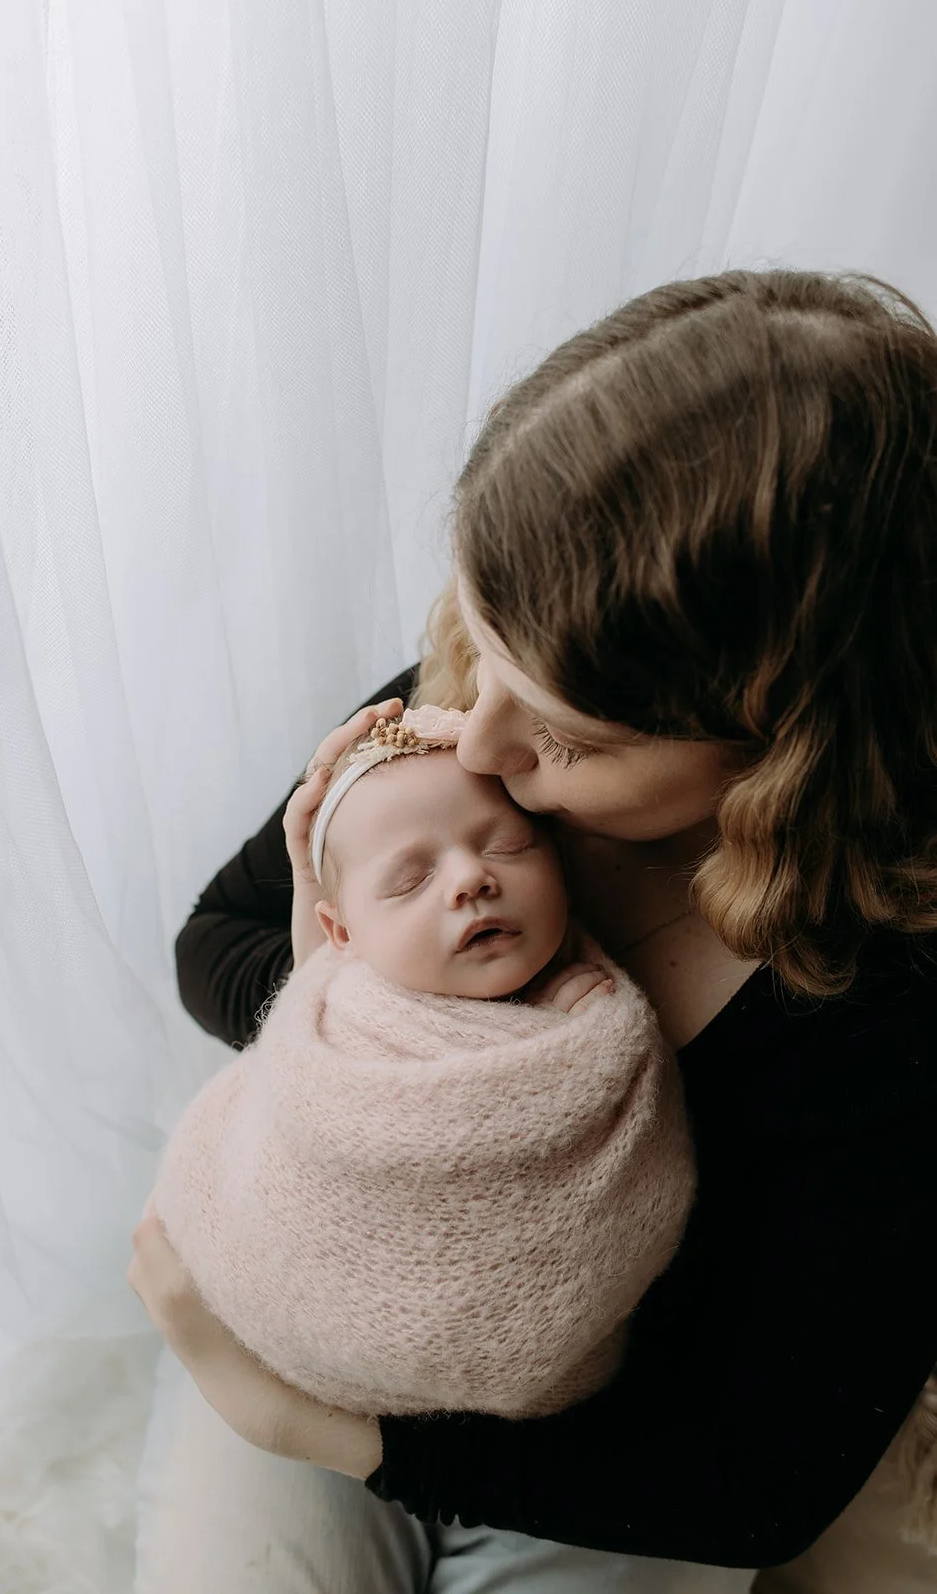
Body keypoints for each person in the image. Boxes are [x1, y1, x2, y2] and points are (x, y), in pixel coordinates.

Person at [130, 268, 937, 1594]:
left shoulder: (883, 1004)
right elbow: (215, 940)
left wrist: (322, 1432)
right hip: (322, 1284)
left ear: (780, 746)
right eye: (484, 648)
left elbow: (751, 1478)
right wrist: (349, 990)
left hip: (606, 1431)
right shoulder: (475, 700)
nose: (480, 741)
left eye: (565, 736)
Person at [149, 706, 694, 1427]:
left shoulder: (589, 1018)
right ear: (344, 933)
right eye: (409, 881)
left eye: (506, 846)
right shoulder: (345, 1000)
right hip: (281, 1275)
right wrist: (307, 879)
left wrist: (573, 1042)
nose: (470, 877)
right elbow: (298, 1023)